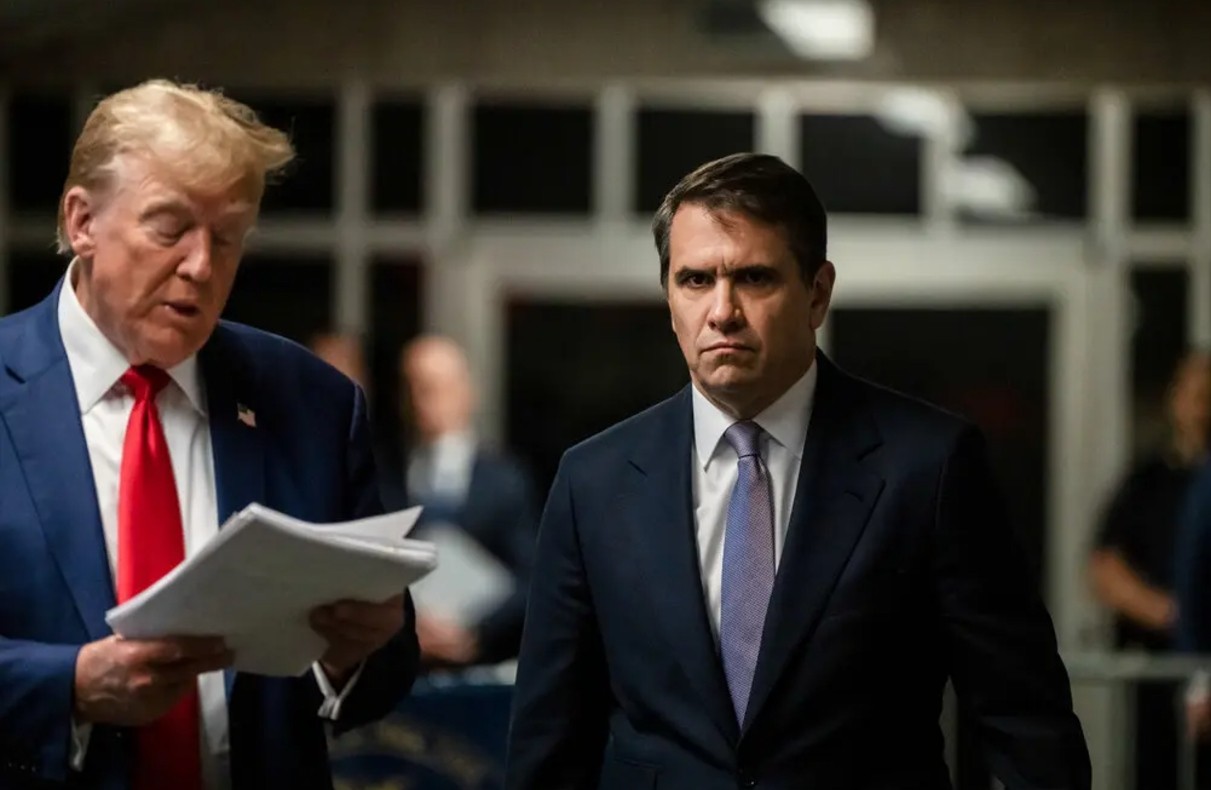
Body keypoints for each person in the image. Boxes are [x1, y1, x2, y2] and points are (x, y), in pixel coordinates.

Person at [506, 152, 1090, 789]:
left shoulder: (928, 465)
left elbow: (1024, 721)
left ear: (817, 293)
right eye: (695, 280)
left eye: (754, 278)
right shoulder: (594, 481)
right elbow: (549, 741)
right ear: (668, 294)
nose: (722, 311)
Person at [0, 79, 418, 790]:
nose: (200, 264)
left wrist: (355, 653)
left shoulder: (311, 404)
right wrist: (66, 685)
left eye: (226, 238)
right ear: (82, 221)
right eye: (169, 228)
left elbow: (382, 674)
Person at [378, 335, 539, 667]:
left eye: (439, 387)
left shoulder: (506, 480)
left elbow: (532, 578)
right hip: (398, 669)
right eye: (415, 387)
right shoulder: (382, 477)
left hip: (481, 668)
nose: (424, 400)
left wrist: (474, 632)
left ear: (467, 392)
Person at [1092, 351, 1211, 790]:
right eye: (1195, 393)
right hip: (1163, 679)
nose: (1202, 406)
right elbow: (1106, 567)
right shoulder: (1147, 482)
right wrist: (1181, 619)